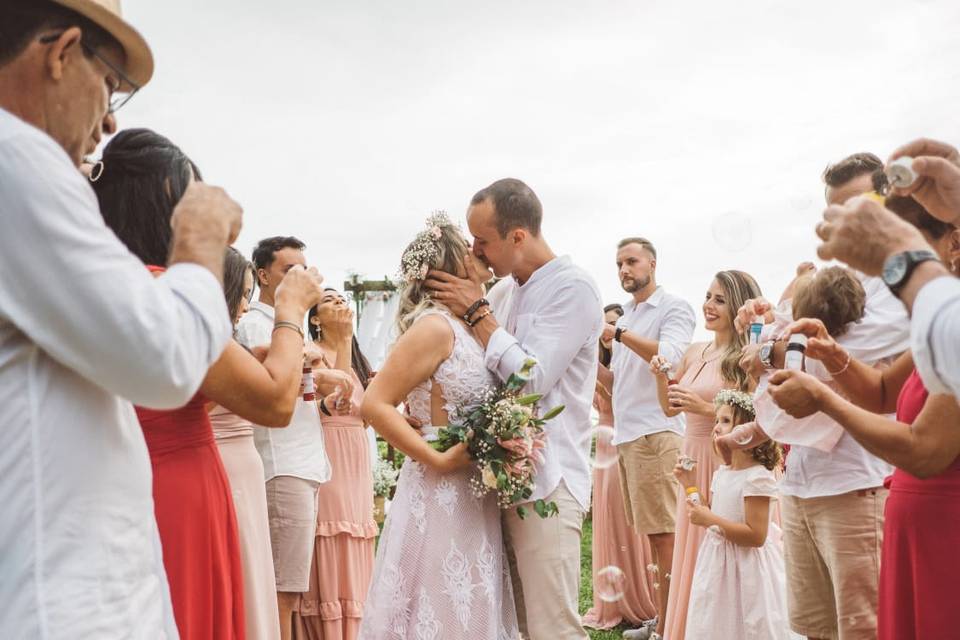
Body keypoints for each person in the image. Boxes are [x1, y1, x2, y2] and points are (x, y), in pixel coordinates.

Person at [0, 1, 243, 636]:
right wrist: (198, 236)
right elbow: (166, 361)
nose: (109, 119)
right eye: (109, 83)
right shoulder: (17, 159)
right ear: (60, 53)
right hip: (65, 602)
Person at [92, 128, 327, 639]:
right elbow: (275, 400)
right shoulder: (166, 289)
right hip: (180, 495)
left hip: (139, 485)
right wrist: (291, 309)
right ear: (168, 203)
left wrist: (244, 356)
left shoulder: (113, 281)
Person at [765, 195, 960, 640]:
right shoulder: (939, 325)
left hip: (946, 526)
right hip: (910, 520)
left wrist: (823, 397)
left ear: (954, 243)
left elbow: (926, 450)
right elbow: (884, 392)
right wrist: (833, 354)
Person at [425, 180, 603, 640]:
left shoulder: (574, 288)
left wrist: (478, 314)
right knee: (515, 625)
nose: (475, 251)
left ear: (517, 236)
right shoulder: (504, 292)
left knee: (553, 629)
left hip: (549, 481)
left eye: (482, 240)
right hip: (500, 480)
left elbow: (531, 377)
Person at [358, 212, 519, 639]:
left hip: (474, 489)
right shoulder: (433, 328)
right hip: (438, 487)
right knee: (440, 602)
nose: (479, 251)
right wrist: (437, 458)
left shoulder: (470, 327)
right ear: (451, 264)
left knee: (469, 599)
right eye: (470, 248)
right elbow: (374, 404)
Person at [590, 237, 695, 640]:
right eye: (618, 264)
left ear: (652, 262)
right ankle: (663, 618)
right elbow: (620, 382)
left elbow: (666, 355)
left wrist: (617, 334)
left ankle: (671, 628)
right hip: (630, 437)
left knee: (667, 537)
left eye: (631, 261)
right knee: (653, 538)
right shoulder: (630, 316)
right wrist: (588, 361)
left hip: (658, 433)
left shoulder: (673, 308)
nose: (624, 270)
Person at [238, 236, 340, 640]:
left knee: (292, 592)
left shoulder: (292, 327)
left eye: (303, 269)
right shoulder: (253, 325)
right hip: (281, 465)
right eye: (288, 270)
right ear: (263, 275)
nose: (299, 277)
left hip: (302, 463)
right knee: (282, 591)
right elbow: (258, 389)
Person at [652, 270, 761, 640]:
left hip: (725, 457)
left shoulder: (745, 357)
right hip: (691, 457)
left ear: (738, 306)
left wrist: (704, 407)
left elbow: (754, 413)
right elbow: (670, 408)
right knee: (693, 544)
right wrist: (660, 378)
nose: (709, 306)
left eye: (719, 299)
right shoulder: (695, 351)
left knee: (720, 543)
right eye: (708, 296)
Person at [814, 138, 960, 399]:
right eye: (840, 213)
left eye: (864, 205)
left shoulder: (913, 267)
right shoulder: (852, 277)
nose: (854, 219)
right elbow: (881, 391)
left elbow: (845, 353)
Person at [293, 289, 377, 640]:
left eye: (342, 297)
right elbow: (337, 402)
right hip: (327, 456)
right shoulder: (312, 355)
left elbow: (366, 415)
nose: (340, 301)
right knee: (332, 532)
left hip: (356, 459)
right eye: (328, 299)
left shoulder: (359, 359)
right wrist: (343, 341)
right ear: (315, 319)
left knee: (356, 533)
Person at [675, 390, 789, 639]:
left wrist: (709, 519)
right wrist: (690, 485)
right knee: (716, 624)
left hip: (748, 568)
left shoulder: (758, 477)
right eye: (717, 420)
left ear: (749, 431)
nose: (716, 427)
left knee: (747, 624)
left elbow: (756, 536)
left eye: (726, 421)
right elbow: (710, 515)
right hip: (718, 564)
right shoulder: (723, 473)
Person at [582, 303, 659, 633]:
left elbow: (611, 387)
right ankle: (612, 601)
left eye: (614, 325)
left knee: (624, 519)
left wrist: (584, 350)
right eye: (606, 325)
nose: (609, 331)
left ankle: (637, 597)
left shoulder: (627, 368)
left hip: (622, 445)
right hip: (603, 444)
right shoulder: (602, 363)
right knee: (608, 519)